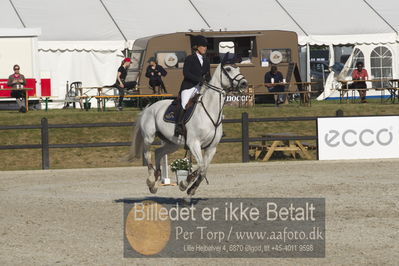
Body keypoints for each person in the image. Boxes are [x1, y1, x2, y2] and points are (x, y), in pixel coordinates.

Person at [174, 35, 211, 136]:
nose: (205, 48)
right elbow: (186, 73)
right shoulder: (190, 58)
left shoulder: (206, 61)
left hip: (200, 87)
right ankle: (178, 125)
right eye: (203, 46)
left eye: (206, 46)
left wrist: (210, 83)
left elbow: (208, 75)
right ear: (197, 47)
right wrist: (199, 79)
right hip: (189, 86)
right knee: (184, 103)